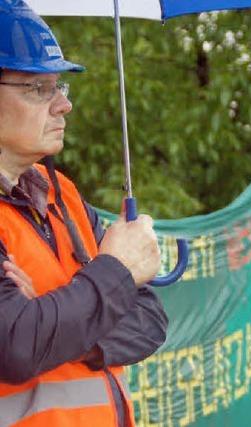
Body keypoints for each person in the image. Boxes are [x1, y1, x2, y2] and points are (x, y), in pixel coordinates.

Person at [0, 2, 167, 426]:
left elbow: (150, 319)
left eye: (59, 87)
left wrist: (52, 322)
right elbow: (16, 346)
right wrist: (114, 273)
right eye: (38, 88)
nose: (62, 106)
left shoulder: (61, 195)